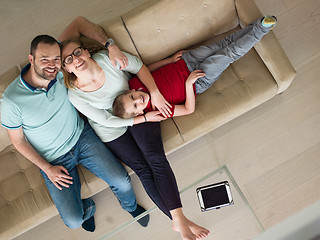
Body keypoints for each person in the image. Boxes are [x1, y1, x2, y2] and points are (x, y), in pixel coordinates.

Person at [0, 17, 150, 233]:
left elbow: (79, 23)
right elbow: (18, 141)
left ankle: (131, 207)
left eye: (55, 59)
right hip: (53, 159)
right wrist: (47, 168)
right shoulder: (11, 100)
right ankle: (86, 209)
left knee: (123, 181)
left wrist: (111, 45)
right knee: (73, 221)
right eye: (44, 59)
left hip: (82, 137)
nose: (51, 65)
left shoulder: (62, 69)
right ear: (31, 59)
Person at [60, 27, 210, 240]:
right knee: (143, 169)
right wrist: (146, 119)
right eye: (67, 60)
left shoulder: (107, 58)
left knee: (156, 159)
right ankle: (180, 221)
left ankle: (178, 218)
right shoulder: (74, 94)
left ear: (86, 51)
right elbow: (105, 120)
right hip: (113, 129)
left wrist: (154, 95)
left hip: (136, 107)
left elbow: (139, 66)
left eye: (77, 52)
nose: (75, 59)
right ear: (65, 69)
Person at [112, 16, 277, 119]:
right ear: (139, 113)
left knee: (223, 43)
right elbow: (188, 109)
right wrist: (188, 85)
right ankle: (261, 29)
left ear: (130, 91)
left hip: (185, 61)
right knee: (228, 54)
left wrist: (170, 60)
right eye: (136, 106)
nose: (138, 100)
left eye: (132, 97)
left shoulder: (134, 83)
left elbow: (148, 68)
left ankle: (256, 25)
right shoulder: (157, 111)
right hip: (198, 79)